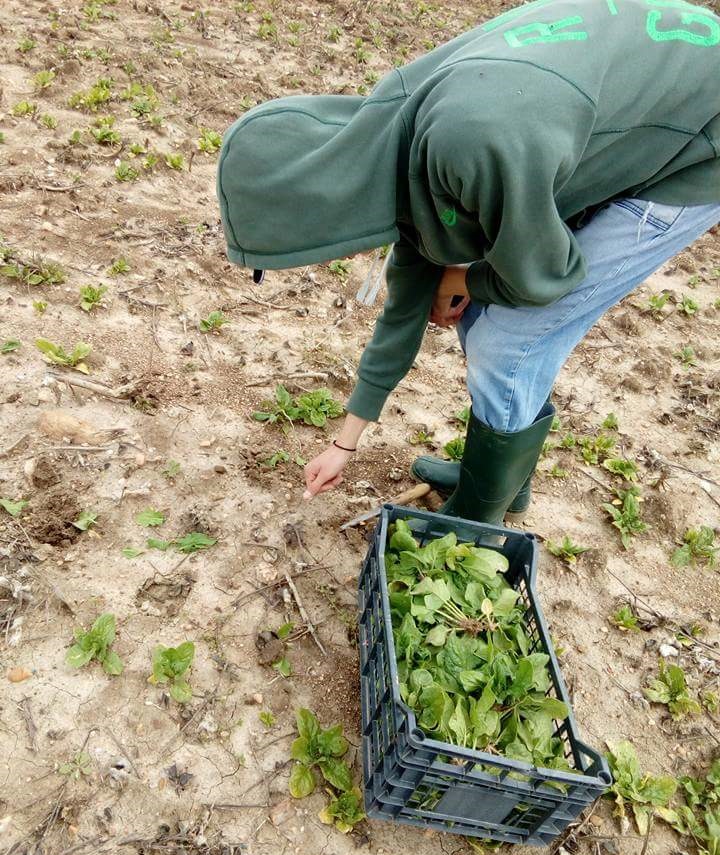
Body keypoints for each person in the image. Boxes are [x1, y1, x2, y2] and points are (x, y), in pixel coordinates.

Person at [217, 0, 720, 524]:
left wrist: (463, 276)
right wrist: (344, 445)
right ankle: (502, 483)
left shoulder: (469, 143)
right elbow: (404, 307)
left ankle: (478, 523)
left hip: (700, 140)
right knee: (487, 322)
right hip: (615, 101)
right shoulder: (395, 145)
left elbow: (545, 276)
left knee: (510, 341)